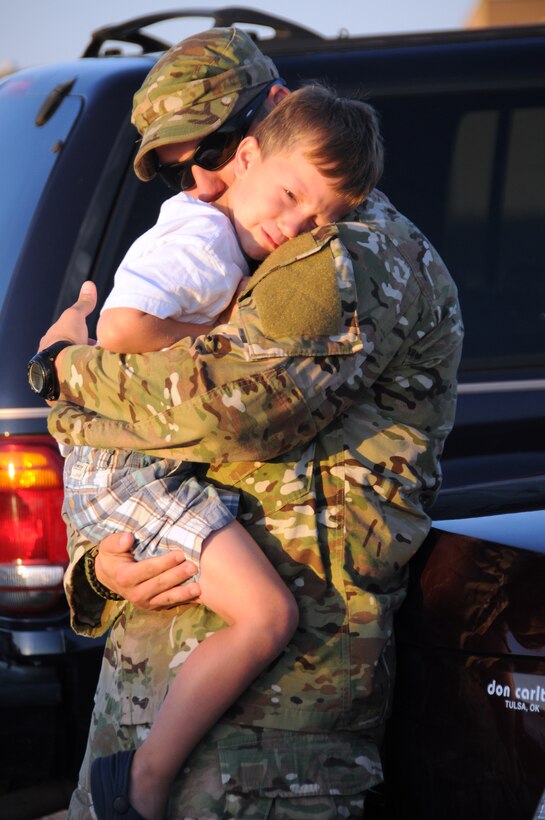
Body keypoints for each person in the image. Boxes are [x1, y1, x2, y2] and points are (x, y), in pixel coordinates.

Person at [37, 27, 463, 820]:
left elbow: (227, 414)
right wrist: (101, 569)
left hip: (267, 737)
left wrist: (68, 366)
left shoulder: (345, 254)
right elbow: (149, 464)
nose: (200, 179)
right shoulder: (227, 245)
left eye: (219, 145)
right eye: (178, 164)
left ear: (276, 116)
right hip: (148, 704)